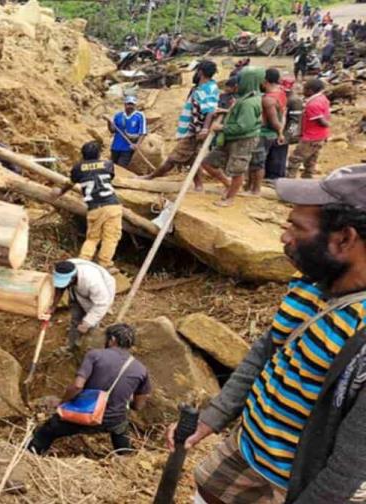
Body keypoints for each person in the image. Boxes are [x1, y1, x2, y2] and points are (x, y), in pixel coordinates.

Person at [168, 165, 366, 503]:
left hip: (299, 482)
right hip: (248, 447)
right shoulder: (311, 283)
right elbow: (266, 351)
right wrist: (213, 417)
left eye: (298, 228)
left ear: (345, 239)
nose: (284, 237)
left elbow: (351, 462)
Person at [27, 323, 150, 455]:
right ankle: (125, 458)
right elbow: (138, 405)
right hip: (113, 420)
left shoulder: (95, 355)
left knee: (45, 432)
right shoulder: (141, 369)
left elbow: (77, 386)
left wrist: (63, 403)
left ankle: (31, 455)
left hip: (83, 415)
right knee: (122, 430)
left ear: (112, 339)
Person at [142, 60, 219, 183]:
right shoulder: (202, 88)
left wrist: (204, 129)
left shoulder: (207, 89)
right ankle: (199, 185)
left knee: (173, 158)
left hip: (196, 131)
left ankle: (151, 177)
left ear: (200, 72)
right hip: (193, 129)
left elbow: (210, 110)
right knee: (194, 158)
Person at [199, 66, 265, 207]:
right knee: (207, 162)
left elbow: (243, 126)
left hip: (242, 140)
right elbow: (239, 117)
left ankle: (230, 198)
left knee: (237, 169)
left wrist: (221, 127)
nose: (237, 84)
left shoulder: (249, 103)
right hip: (230, 138)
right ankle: (228, 184)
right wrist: (226, 111)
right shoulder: (245, 98)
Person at [53, 141, 123, 272]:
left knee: (92, 238)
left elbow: (71, 183)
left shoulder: (78, 168)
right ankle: (105, 263)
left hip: (94, 207)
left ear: (82, 155)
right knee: (111, 237)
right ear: (98, 154)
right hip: (112, 205)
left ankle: (83, 261)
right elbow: (109, 177)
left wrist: (60, 192)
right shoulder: (108, 164)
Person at [44, 259, 116, 350]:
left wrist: (87, 323)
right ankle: (72, 347)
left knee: (91, 325)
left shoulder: (93, 282)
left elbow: (101, 304)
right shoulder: (65, 268)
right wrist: (53, 306)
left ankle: (89, 350)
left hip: (97, 299)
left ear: (73, 277)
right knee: (76, 319)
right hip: (76, 293)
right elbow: (60, 288)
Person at [287, 78, 330, 179]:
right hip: (320, 136)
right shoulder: (323, 99)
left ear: (310, 90)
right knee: (311, 161)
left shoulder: (313, 104)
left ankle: (290, 179)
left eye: (304, 89)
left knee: (295, 159)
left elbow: (322, 122)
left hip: (311, 137)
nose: (302, 91)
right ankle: (307, 179)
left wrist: (289, 134)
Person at [259, 68, 288, 186]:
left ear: (265, 81)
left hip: (268, 132)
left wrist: (280, 132)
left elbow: (273, 120)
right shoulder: (281, 92)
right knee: (275, 157)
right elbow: (283, 113)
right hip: (278, 129)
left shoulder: (269, 98)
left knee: (261, 159)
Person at [106, 95, 147, 169]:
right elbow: (112, 130)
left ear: (135, 105)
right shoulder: (118, 115)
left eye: (132, 104)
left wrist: (137, 145)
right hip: (115, 147)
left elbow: (143, 132)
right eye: (128, 104)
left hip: (128, 148)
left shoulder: (140, 116)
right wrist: (109, 122)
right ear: (125, 105)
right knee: (112, 168)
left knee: (121, 168)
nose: (130, 106)